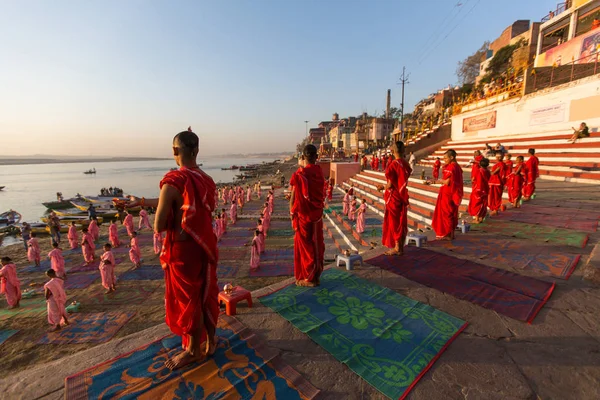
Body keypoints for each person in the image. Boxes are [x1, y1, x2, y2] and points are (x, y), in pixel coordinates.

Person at [127, 128, 220, 370]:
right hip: (205, 245)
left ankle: (192, 351)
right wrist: (144, 201)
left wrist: (154, 210)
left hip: (183, 250)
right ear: (197, 151)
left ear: (174, 151)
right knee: (206, 293)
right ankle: (211, 342)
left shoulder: (173, 180)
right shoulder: (207, 180)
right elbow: (185, 203)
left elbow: (158, 224)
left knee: (190, 300)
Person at [289, 144, 325, 287]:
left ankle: (308, 278)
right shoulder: (319, 172)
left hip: (304, 217)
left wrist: (292, 214)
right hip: (317, 215)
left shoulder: (300, 175)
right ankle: (315, 275)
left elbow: (293, 199)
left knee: (305, 247)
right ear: (316, 157)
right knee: (316, 244)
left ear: (303, 157)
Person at [377, 141, 412, 255]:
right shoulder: (406, 164)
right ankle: (400, 247)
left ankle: (397, 247)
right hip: (402, 195)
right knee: (401, 221)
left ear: (392, 151)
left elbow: (391, 184)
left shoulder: (393, 165)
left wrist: (382, 187)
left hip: (394, 197)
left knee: (394, 222)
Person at [429, 149, 464, 240]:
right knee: (451, 213)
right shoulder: (457, 167)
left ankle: (446, 234)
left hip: (447, 193)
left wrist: (438, 181)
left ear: (451, 157)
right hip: (453, 193)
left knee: (446, 214)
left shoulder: (451, 167)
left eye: (445, 158)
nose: (444, 160)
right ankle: (451, 234)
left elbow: (447, 182)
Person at [468, 158, 490, 224]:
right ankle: (481, 217)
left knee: (476, 203)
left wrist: (477, 188)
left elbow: (475, 179)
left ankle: (477, 219)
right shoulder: (487, 171)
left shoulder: (479, 171)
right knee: (483, 203)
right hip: (485, 189)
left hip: (479, 189)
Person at [488, 151, 506, 216]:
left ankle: (495, 209)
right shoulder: (498, 164)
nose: (498, 158)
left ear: (503, 157)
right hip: (494, 182)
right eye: (497, 156)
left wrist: (489, 172)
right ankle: (494, 209)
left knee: (496, 196)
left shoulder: (501, 164)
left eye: (500, 157)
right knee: (493, 196)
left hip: (498, 182)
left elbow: (494, 172)